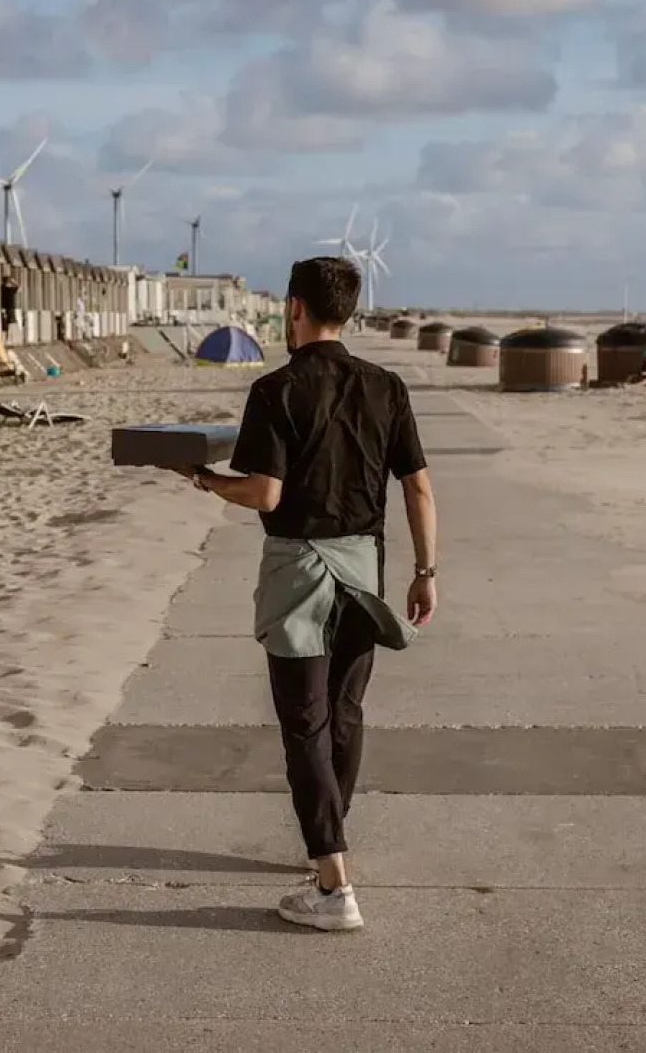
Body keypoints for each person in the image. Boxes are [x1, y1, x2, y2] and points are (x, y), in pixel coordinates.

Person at [173, 256, 438, 933]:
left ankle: (333, 880)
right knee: (345, 715)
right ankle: (331, 843)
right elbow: (417, 486)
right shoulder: (387, 387)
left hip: (298, 575)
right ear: (345, 310)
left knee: (304, 728)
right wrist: (426, 572)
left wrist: (205, 479)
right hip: (364, 573)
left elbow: (264, 492)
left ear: (294, 309)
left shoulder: (274, 390)